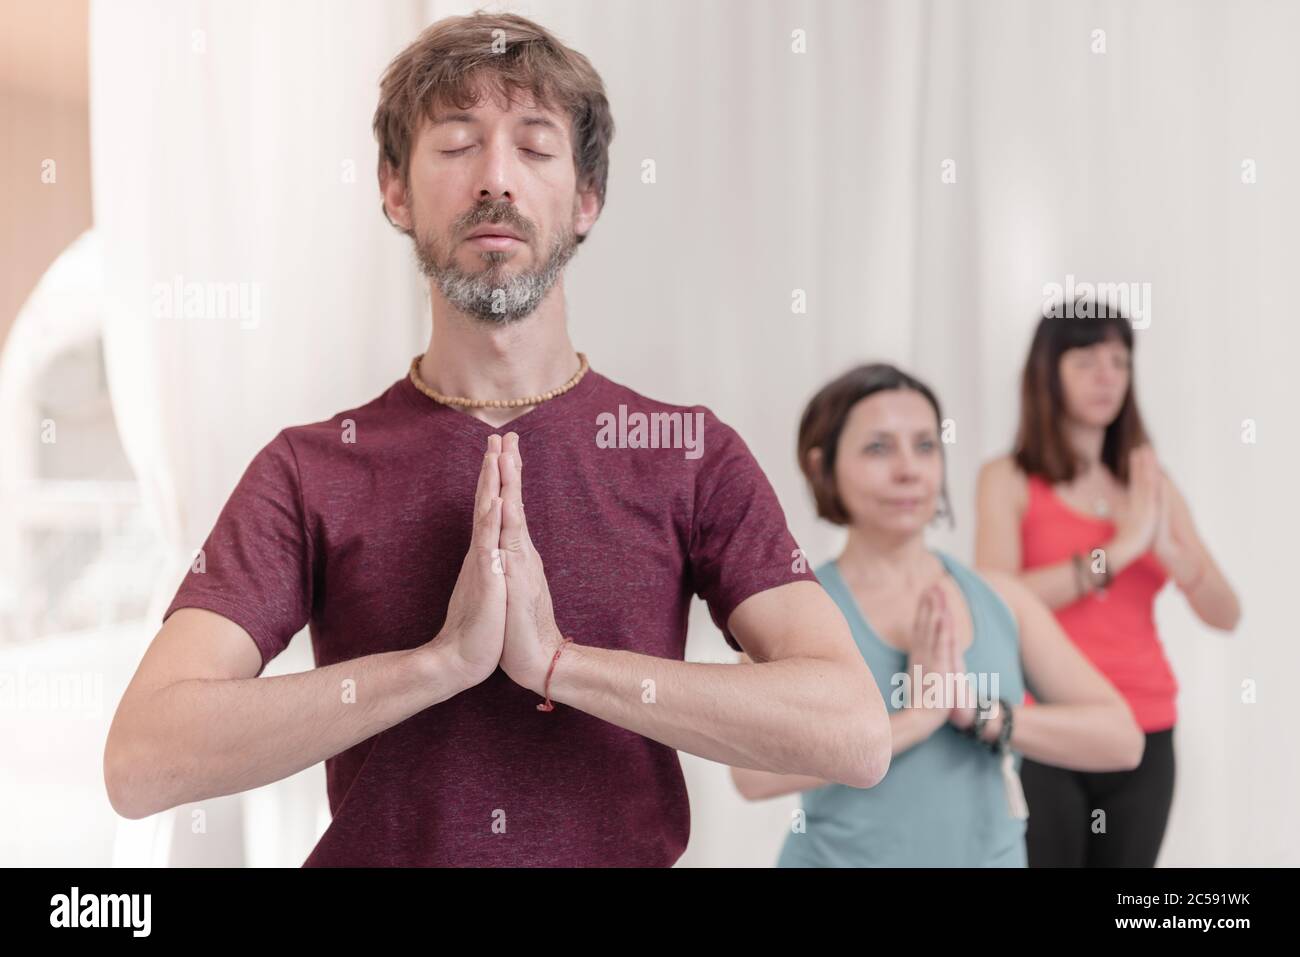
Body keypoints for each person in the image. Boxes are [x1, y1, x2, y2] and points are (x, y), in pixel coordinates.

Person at [102, 12, 890, 867]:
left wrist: (560, 665)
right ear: (394, 190)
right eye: (456, 143)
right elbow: (142, 760)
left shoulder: (688, 453)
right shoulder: (308, 469)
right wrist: (438, 666)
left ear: (586, 199)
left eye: (536, 146)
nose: (496, 178)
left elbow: (850, 730)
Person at [729, 363, 1144, 866]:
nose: (909, 469)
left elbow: (1121, 739)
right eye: (878, 447)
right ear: (822, 467)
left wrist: (982, 717)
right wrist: (916, 719)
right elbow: (751, 774)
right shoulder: (792, 606)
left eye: (925, 446)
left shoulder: (1001, 598)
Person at [974, 305, 1241, 867]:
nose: (1107, 376)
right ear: (1048, 371)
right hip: (1047, 724)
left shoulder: (1149, 485)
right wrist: (1118, 550)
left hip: (1146, 728)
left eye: (1120, 361)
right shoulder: (1009, 479)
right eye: (1087, 359)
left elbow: (1226, 613)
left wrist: (1172, 553)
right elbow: (994, 600)